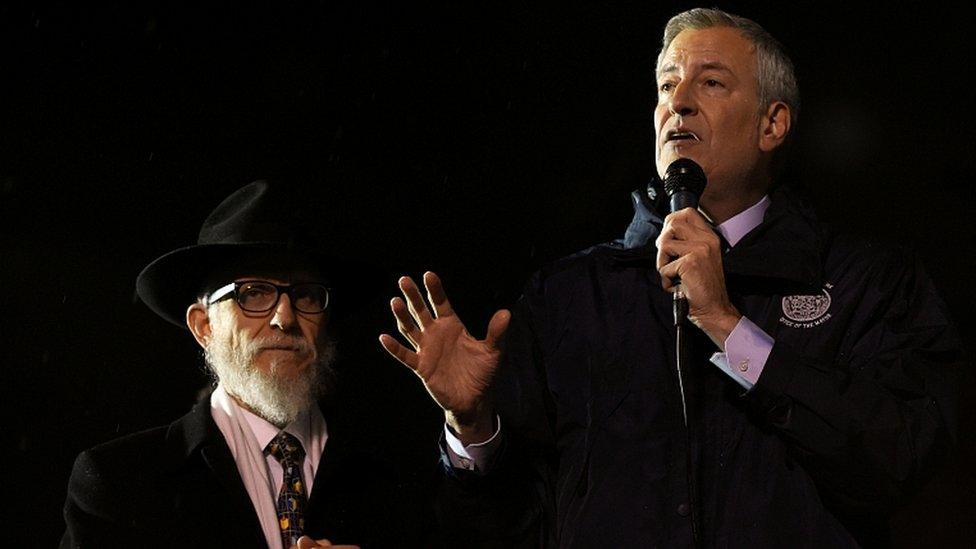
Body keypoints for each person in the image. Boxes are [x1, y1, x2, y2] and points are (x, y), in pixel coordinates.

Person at [380, 8, 965, 548]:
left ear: (773, 123)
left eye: (710, 82)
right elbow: (504, 527)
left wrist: (726, 323)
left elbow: (899, 458)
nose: (678, 102)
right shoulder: (570, 296)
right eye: (666, 84)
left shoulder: (869, 281)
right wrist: (472, 431)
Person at [62, 181, 429, 548]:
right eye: (252, 293)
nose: (285, 318)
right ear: (204, 326)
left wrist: (471, 420)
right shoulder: (120, 479)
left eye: (305, 294)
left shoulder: (395, 467)